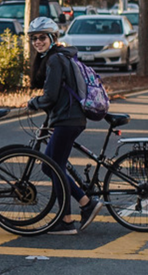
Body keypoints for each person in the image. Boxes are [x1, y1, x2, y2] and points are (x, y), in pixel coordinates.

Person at [26, 16, 104, 234]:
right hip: (68, 118)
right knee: (51, 166)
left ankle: (80, 209)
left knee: (53, 167)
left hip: (67, 119)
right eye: (34, 38)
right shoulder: (57, 57)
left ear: (53, 37)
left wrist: (33, 103)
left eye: (42, 37)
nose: (38, 42)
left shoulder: (55, 60)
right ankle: (73, 213)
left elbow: (50, 96)